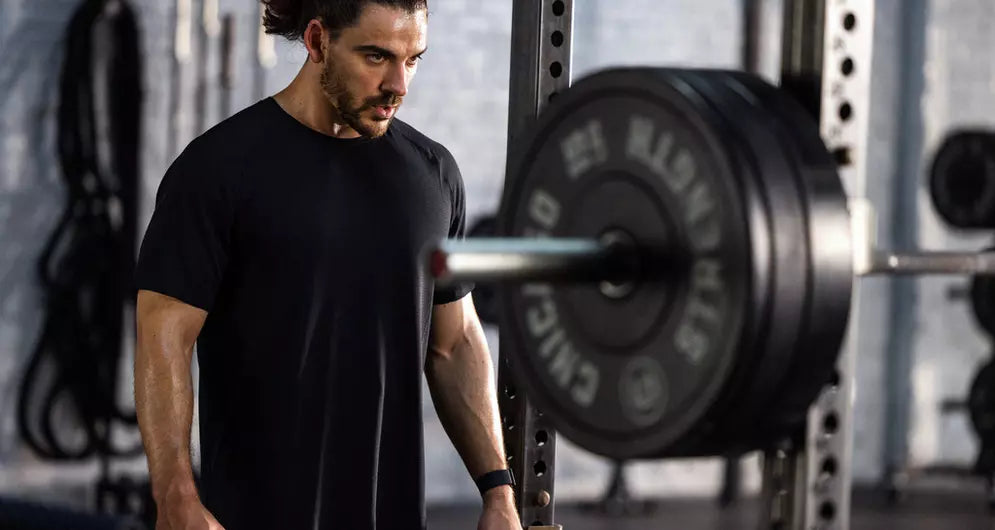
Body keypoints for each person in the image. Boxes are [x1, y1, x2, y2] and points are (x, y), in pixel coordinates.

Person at [133, 1, 520, 528]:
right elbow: (163, 338)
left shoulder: (433, 176)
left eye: (413, 60)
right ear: (317, 41)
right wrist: (175, 496)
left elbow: (453, 344)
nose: (398, 84)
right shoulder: (217, 171)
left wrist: (498, 491)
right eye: (377, 56)